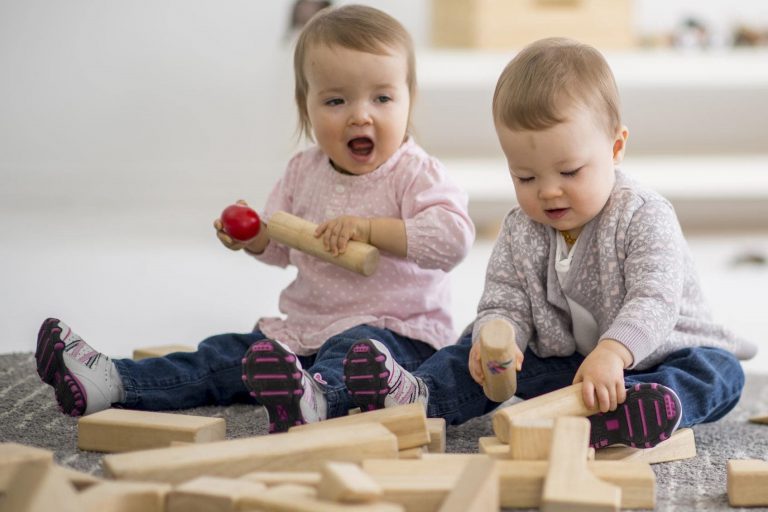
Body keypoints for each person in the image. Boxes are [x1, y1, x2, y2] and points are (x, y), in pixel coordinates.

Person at [35, 5, 474, 433]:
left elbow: (453, 240)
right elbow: (282, 248)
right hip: (306, 330)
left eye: (382, 97)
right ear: (307, 107)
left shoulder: (415, 173)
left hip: (394, 338)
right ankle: (112, 380)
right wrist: (255, 237)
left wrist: (370, 230)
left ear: (409, 100)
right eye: (336, 100)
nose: (361, 114)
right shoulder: (303, 172)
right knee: (225, 356)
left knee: (349, 353)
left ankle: (317, 400)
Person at [343, 37, 757, 449]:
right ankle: (421, 395)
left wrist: (613, 353)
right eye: (526, 177)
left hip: (659, 355)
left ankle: (643, 409)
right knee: (470, 351)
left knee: (719, 372)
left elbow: (655, 298)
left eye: (570, 172)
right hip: (573, 369)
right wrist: (497, 338)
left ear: (615, 148)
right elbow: (505, 298)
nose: (548, 193)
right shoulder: (522, 228)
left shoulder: (643, 214)